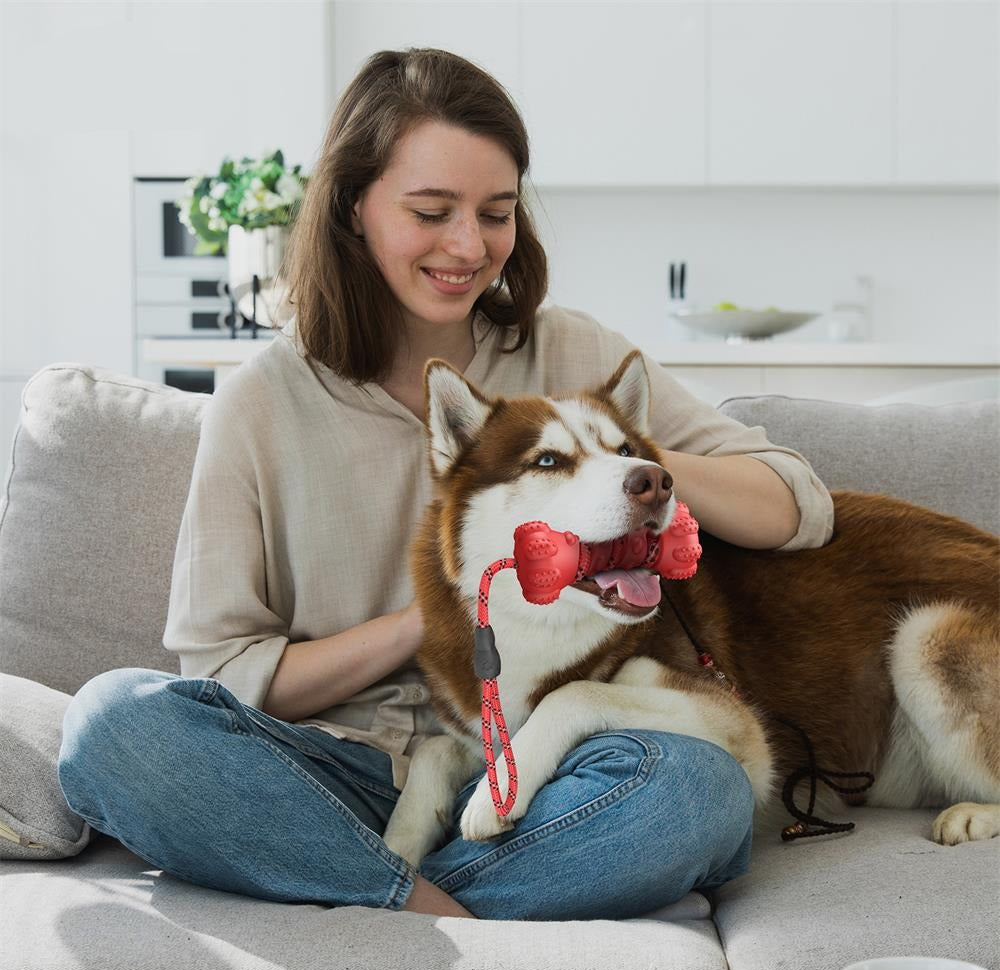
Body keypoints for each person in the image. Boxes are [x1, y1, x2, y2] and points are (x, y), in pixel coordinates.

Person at [57, 48, 834, 922]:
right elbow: (231, 676)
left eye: (495, 214)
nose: (469, 247)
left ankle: (376, 900)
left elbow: (794, 504)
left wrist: (611, 459)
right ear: (355, 207)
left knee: (696, 791)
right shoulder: (260, 406)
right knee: (111, 724)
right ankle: (428, 900)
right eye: (432, 212)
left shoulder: (568, 355)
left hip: (543, 770)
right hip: (332, 773)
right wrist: (431, 618)